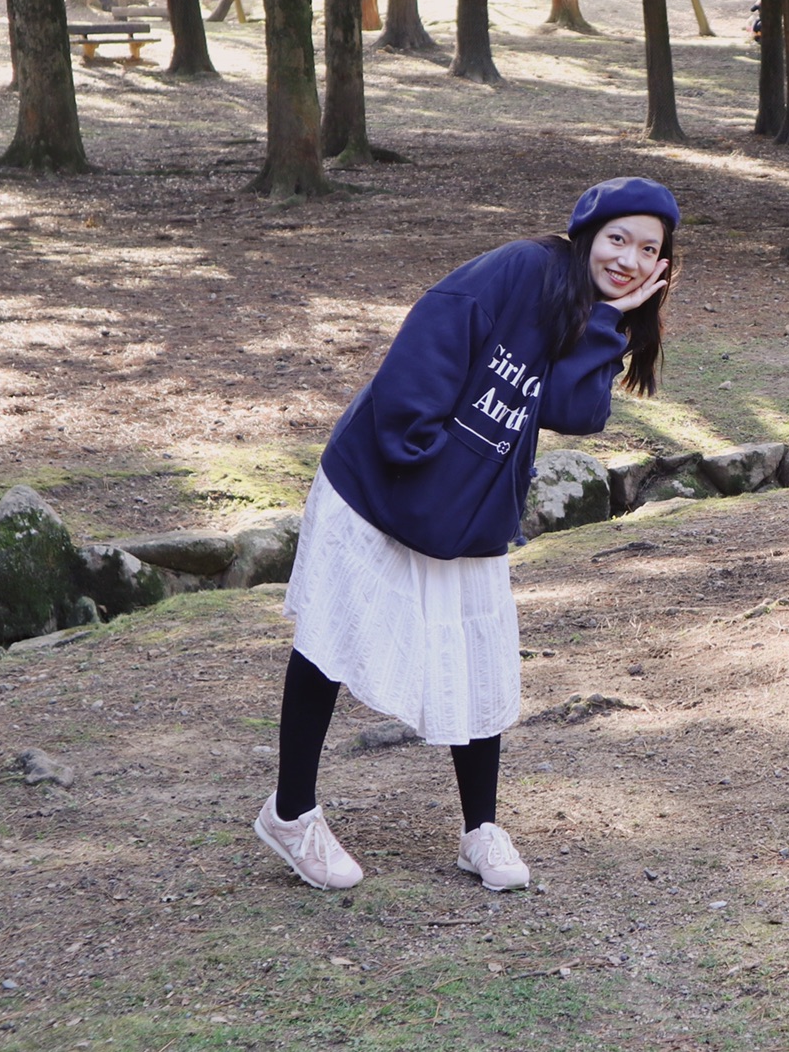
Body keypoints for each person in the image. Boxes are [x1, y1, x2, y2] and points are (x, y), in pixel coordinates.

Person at [254, 177, 678, 892]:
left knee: (480, 654)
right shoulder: (524, 268)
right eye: (617, 239)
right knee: (331, 637)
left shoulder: (593, 308)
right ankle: (291, 814)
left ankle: (480, 829)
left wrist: (611, 320)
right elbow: (436, 327)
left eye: (649, 250)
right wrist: (418, 455)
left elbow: (576, 409)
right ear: (586, 234)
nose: (629, 259)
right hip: (385, 479)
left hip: (468, 507)